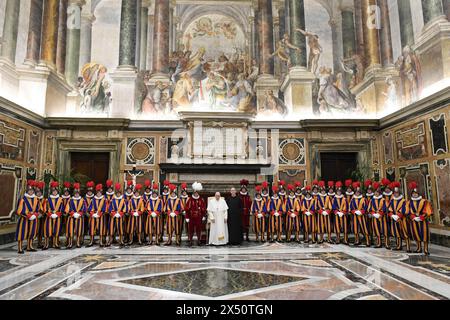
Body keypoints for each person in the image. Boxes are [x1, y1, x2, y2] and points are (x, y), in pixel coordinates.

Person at [408, 182, 433, 255]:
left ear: (418, 194)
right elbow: (407, 211)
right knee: (416, 234)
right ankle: (418, 248)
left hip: (423, 221)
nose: (414, 194)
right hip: (414, 221)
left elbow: (428, 211)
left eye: (416, 193)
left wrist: (421, 217)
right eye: (413, 193)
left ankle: (425, 249)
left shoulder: (424, 201)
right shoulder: (409, 202)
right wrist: (413, 217)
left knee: (424, 235)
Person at [15, 180, 40, 254]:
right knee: (22, 233)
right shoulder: (22, 199)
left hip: (33, 219)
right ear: (27, 191)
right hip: (24, 219)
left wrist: (35, 214)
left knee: (31, 233)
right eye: (29, 190)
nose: (31, 192)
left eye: (32, 190)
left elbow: (38, 209)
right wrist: (28, 215)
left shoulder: (36, 199)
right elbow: (19, 211)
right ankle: (20, 248)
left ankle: (30, 246)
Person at [388, 182, 410, 252]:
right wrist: (392, 215)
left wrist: (399, 215)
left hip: (402, 219)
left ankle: (408, 247)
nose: (395, 194)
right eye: (394, 193)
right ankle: (399, 245)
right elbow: (389, 209)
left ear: (399, 193)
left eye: (397, 193)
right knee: (396, 233)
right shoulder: (392, 201)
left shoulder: (403, 201)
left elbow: (404, 209)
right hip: (394, 218)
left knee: (405, 232)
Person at [367, 182, 389, 249]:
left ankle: (386, 243)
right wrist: (373, 214)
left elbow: (386, 208)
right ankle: (379, 243)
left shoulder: (383, 200)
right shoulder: (372, 200)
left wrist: (380, 213)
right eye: (375, 192)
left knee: (384, 230)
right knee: (377, 230)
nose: (376, 194)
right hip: (374, 217)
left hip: (382, 217)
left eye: (377, 192)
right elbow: (369, 209)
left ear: (380, 193)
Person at [185, 182, 207, 246]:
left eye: (197, 193)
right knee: (190, 229)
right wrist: (187, 217)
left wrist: (203, 216)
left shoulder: (201, 200)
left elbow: (204, 208)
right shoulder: (190, 200)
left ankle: (199, 240)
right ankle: (190, 240)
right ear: (193, 193)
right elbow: (187, 209)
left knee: (198, 229)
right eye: (195, 193)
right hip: (191, 217)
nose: (196, 194)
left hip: (199, 217)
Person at [349, 182, 370, 247]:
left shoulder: (363, 199)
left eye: (358, 192)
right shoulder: (353, 199)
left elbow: (366, 207)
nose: (357, 193)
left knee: (364, 228)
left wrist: (361, 211)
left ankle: (367, 240)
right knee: (355, 228)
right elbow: (351, 207)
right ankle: (357, 240)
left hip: (362, 216)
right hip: (355, 215)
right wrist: (354, 211)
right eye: (356, 192)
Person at [44, 181, 63, 250]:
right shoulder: (48, 200)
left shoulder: (60, 200)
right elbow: (45, 209)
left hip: (57, 217)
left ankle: (55, 244)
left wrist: (57, 214)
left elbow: (62, 208)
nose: (54, 192)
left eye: (56, 191)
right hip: (49, 217)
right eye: (53, 191)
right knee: (47, 230)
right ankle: (46, 244)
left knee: (56, 230)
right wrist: (50, 214)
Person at [65, 183, 86, 249]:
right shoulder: (70, 200)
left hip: (79, 218)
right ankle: (70, 243)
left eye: (78, 193)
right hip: (71, 217)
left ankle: (78, 242)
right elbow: (68, 208)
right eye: (75, 193)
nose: (76, 194)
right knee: (70, 231)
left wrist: (79, 213)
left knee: (79, 231)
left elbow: (84, 208)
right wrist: (73, 213)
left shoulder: (82, 200)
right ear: (74, 193)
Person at [107, 183, 127, 247]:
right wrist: (114, 213)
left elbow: (125, 208)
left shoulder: (123, 200)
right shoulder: (112, 200)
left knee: (121, 228)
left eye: (119, 193)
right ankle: (110, 240)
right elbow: (110, 208)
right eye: (117, 193)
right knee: (112, 228)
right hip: (113, 216)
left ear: (121, 194)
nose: (118, 194)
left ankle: (121, 240)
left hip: (120, 216)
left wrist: (121, 213)